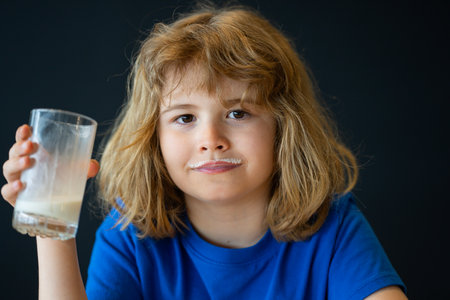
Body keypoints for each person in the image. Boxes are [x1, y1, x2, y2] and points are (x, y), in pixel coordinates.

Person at [2, 4, 407, 300]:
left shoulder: (335, 228)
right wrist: (50, 223)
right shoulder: (130, 235)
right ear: (153, 138)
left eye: (238, 112)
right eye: (184, 118)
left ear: (285, 126)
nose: (210, 138)